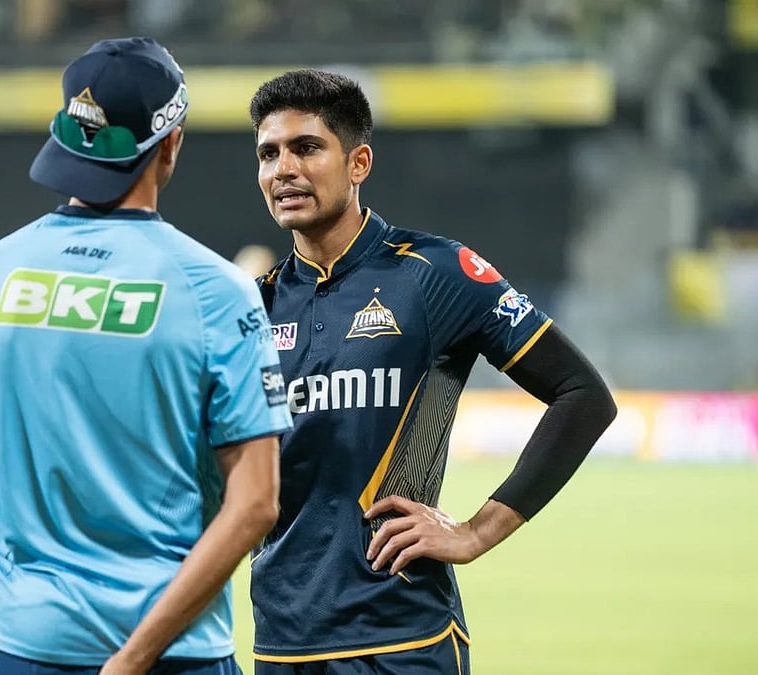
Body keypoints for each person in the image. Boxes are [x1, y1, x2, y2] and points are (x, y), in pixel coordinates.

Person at [0, 37, 292, 675]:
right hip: (170, 655)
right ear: (171, 142)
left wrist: (40, 506)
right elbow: (256, 504)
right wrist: (132, 657)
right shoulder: (219, 293)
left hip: (18, 646)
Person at [247, 69, 617, 674]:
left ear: (358, 162)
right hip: (280, 642)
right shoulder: (251, 306)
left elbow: (583, 395)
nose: (282, 169)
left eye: (307, 147)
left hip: (402, 641)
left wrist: (476, 531)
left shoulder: (434, 274)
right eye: (269, 154)